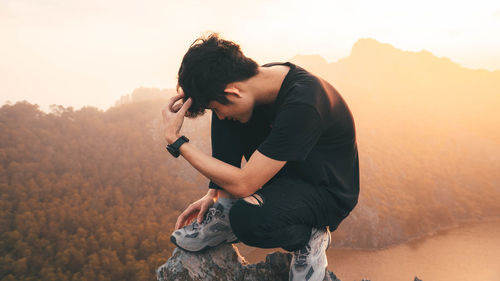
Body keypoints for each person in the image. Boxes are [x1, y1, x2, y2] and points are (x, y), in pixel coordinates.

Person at [159, 32, 359, 281]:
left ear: (234, 91)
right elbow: (228, 116)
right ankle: (224, 204)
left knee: (246, 219)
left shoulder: (303, 103)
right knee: (230, 116)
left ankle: (311, 236)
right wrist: (215, 193)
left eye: (217, 108)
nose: (218, 117)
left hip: (325, 192)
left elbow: (245, 183)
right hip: (283, 171)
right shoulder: (254, 83)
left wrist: (177, 142)